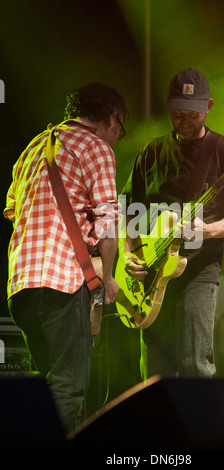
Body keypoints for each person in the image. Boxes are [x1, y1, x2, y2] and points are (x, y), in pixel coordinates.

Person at [3, 82, 128, 434]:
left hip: (21, 284)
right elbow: (106, 219)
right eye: (120, 130)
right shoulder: (96, 147)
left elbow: (13, 209)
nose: (117, 138)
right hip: (62, 281)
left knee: (45, 383)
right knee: (69, 385)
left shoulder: (32, 148)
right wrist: (107, 278)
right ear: (113, 119)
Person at [121, 68, 224, 380]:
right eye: (178, 113)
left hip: (199, 270)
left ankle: (200, 427)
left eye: (192, 113)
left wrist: (208, 231)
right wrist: (127, 255)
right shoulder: (150, 152)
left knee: (195, 366)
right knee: (154, 370)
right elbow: (126, 211)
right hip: (150, 271)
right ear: (167, 105)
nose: (185, 120)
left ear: (208, 107)